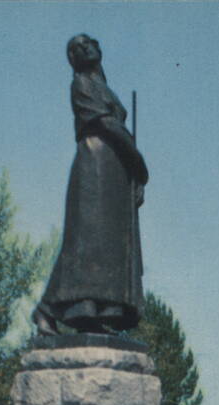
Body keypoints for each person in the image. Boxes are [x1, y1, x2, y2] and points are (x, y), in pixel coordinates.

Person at [33, 34, 149, 335]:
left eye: (88, 44)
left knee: (110, 245)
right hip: (94, 166)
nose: (84, 49)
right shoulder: (81, 84)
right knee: (85, 242)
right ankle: (47, 310)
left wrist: (134, 176)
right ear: (73, 59)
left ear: (99, 48)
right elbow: (108, 125)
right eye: (75, 48)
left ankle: (101, 312)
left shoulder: (104, 87)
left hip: (115, 172)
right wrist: (140, 162)